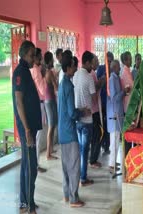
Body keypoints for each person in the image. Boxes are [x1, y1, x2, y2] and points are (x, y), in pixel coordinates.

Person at [58, 51, 90, 207]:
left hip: (62, 131)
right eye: (74, 66)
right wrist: (82, 111)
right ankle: (73, 198)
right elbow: (71, 113)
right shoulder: (69, 86)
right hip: (70, 131)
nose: (76, 68)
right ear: (68, 67)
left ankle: (66, 194)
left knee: (65, 165)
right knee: (74, 166)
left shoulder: (62, 83)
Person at [12, 40, 41, 214]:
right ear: (24, 55)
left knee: (27, 165)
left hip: (29, 127)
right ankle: (28, 206)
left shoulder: (26, 71)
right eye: (31, 55)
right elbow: (19, 102)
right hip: (26, 129)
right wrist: (28, 130)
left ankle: (25, 202)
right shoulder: (20, 73)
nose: (33, 59)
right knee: (31, 167)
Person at [73, 51, 96, 186]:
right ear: (86, 63)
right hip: (87, 120)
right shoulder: (88, 77)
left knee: (80, 149)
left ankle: (81, 175)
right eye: (92, 62)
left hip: (77, 118)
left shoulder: (75, 75)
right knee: (85, 150)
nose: (93, 65)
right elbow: (93, 98)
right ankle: (83, 178)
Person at [107, 60, 129, 173]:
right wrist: (123, 92)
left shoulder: (116, 78)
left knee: (116, 139)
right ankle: (111, 165)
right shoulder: (112, 79)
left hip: (117, 112)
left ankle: (113, 162)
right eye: (118, 67)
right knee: (114, 140)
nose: (120, 68)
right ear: (114, 67)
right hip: (114, 113)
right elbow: (114, 98)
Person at [29, 48, 47, 173]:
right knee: (38, 136)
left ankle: (34, 163)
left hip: (34, 104)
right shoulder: (36, 70)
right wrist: (45, 76)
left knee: (36, 135)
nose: (41, 59)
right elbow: (43, 90)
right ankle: (35, 164)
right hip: (39, 104)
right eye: (39, 57)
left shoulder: (31, 69)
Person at [97, 51, 114, 154]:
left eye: (110, 60)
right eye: (108, 60)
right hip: (102, 102)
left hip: (110, 103)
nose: (109, 62)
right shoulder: (101, 69)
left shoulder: (113, 71)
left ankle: (107, 146)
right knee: (101, 125)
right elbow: (99, 82)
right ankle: (102, 144)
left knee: (108, 125)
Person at [89, 54, 104, 168]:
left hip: (94, 108)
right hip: (93, 110)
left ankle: (93, 158)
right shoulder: (92, 74)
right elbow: (94, 88)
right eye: (96, 60)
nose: (98, 62)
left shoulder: (92, 73)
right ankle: (93, 160)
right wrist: (101, 81)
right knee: (97, 134)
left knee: (96, 134)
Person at [43, 51, 58, 160]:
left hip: (48, 100)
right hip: (50, 100)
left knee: (52, 126)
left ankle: (51, 149)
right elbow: (56, 87)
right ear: (49, 61)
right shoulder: (49, 73)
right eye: (52, 59)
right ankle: (48, 154)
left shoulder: (46, 71)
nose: (53, 60)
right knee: (51, 127)